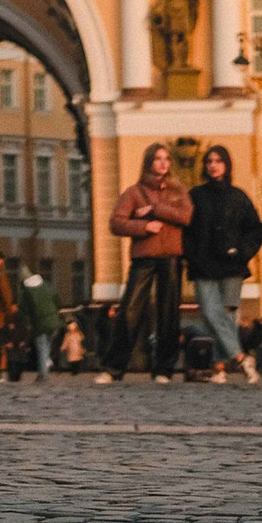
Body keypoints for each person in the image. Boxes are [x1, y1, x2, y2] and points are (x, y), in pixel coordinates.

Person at [98, 141, 192, 384]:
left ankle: (164, 370)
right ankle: (113, 368)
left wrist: (155, 208)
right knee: (130, 311)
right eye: (158, 158)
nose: (163, 163)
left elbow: (186, 216)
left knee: (168, 314)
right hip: (144, 258)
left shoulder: (178, 191)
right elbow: (116, 223)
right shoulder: (133, 192)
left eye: (166, 159)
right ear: (149, 162)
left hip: (171, 257)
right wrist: (144, 227)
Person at [183, 145, 262, 385]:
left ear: (227, 165)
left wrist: (242, 252)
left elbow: (255, 229)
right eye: (209, 161)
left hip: (231, 265)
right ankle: (241, 358)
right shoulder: (196, 195)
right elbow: (186, 231)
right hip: (203, 265)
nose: (213, 165)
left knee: (226, 317)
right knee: (210, 313)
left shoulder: (238, 196)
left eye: (218, 160)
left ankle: (219, 369)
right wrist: (192, 255)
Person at [15, 268, 62, 380]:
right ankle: (47, 362)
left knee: (42, 348)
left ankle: (43, 374)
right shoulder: (47, 285)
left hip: (39, 324)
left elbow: (23, 311)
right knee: (47, 346)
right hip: (54, 322)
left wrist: (27, 325)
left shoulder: (26, 292)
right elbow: (57, 301)